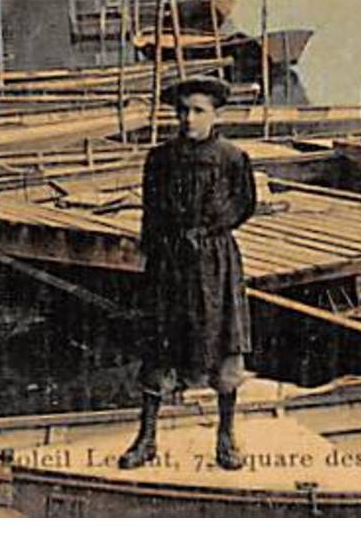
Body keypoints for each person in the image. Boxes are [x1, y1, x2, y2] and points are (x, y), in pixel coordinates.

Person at [118, 75, 256, 471]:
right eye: (183, 111)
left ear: (214, 114)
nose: (189, 119)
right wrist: (152, 262)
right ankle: (146, 439)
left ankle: (226, 436)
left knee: (224, 347)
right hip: (169, 264)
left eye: (198, 111)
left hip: (215, 264)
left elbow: (244, 205)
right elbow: (150, 213)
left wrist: (210, 231)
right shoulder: (159, 159)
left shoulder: (233, 158)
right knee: (160, 348)